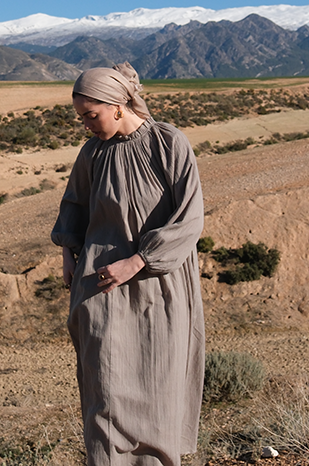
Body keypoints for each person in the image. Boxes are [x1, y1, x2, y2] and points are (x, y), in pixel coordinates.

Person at [51, 63, 205, 466]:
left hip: (159, 285)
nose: (85, 125)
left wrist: (138, 261)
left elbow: (189, 220)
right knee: (106, 386)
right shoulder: (92, 153)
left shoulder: (168, 144)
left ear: (118, 106)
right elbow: (75, 206)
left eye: (91, 115)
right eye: (80, 117)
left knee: (158, 384)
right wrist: (68, 252)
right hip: (101, 285)